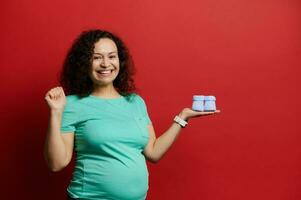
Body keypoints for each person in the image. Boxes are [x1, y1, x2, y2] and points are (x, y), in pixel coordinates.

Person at [44, 29, 220, 200]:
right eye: (97, 58)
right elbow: (57, 163)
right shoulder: (73, 104)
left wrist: (182, 118)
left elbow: (153, 152)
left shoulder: (135, 102)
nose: (106, 64)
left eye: (112, 56)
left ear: (120, 61)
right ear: (84, 63)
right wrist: (56, 112)